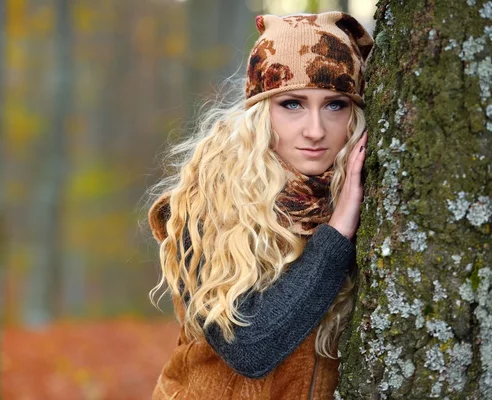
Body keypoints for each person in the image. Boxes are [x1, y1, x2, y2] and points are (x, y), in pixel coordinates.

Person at [146, 11, 374, 399]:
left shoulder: (366, 200)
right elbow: (249, 346)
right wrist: (335, 236)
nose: (315, 130)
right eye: (292, 104)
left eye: (335, 105)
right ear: (260, 112)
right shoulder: (201, 207)